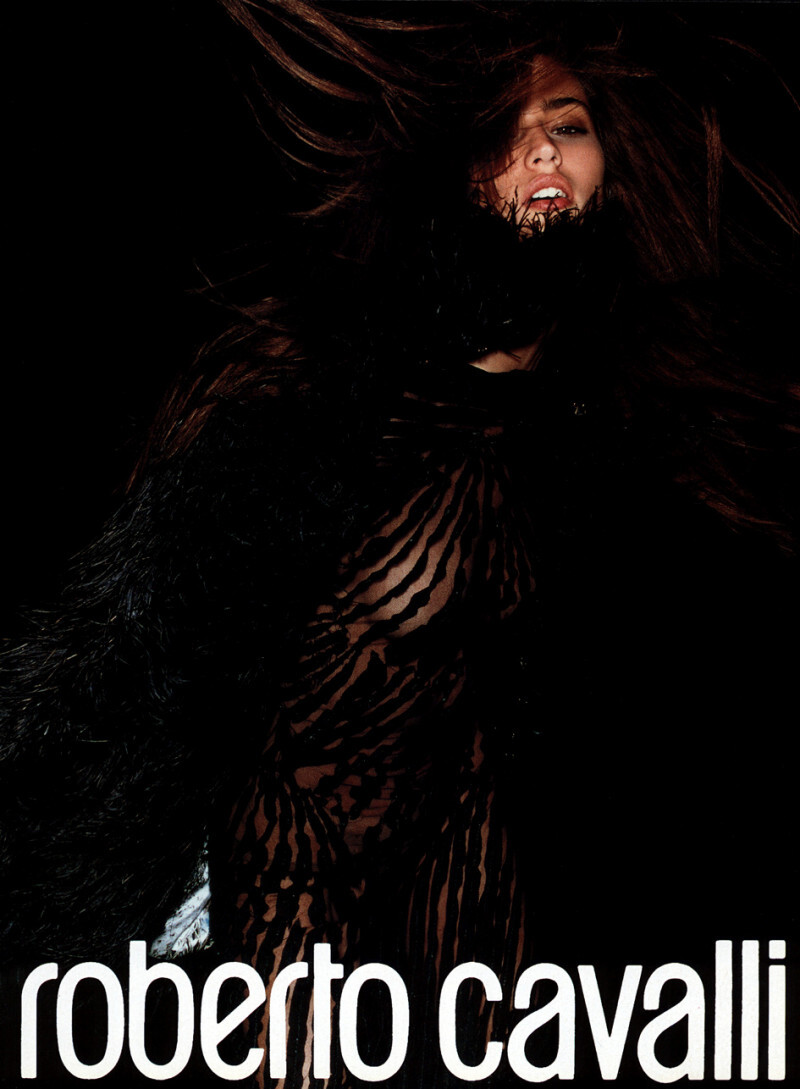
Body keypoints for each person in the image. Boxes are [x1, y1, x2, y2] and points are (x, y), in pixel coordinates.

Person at [1, 3, 798, 1086]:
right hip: (271, 909)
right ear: (453, 173)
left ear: (606, 168)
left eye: (566, 125)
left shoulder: (599, 442)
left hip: (457, 909)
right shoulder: (340, 411)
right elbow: (250, 754)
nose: (540, 149)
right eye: (504, 131)